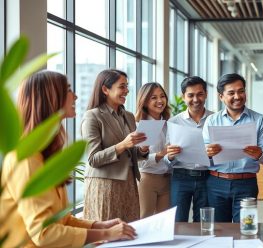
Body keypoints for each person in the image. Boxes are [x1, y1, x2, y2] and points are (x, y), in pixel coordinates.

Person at [0, 70, 136, 247]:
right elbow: (44, 234)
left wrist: (98, 225)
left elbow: (60, 220)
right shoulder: (25, 160)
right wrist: (105, 233)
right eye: (69, 90)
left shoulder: (45, 153)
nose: (76, 96)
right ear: (50, 97)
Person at [203, 73, 263, 223]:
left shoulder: (259, 120)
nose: (237, 96)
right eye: (231, 93)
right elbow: (202, 153)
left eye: (241, 91)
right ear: (221, 96)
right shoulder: (211, 120)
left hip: (246, 184)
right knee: (219, 230)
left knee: (246, 229)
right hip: (216, 182)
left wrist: (259, 153)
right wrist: (207, 152)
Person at [82, 69, 149, 222]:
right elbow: (93, 159)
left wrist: (142, 150)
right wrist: (124, 144)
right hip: (105, 185)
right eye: (122, 86)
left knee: (130, 230)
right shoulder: (92, 116)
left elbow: (130, 154)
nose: (127, 90)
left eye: (127, 86)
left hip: (129, 184)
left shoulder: (129, 116)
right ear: (105, 89)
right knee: (108, 234)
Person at [166, 76, 214, 222]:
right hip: (181, 177)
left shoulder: (215, 119)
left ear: (205, 94)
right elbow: (166, 157)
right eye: (190, 95)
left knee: (204, 222)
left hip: (207, 177)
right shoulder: (174, 122)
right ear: (183, 97)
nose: (195, 99)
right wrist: (170, 156)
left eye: (200, 94)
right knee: (178, 221)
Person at [135, 82, 172, 218]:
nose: (159, 101)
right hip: (148, 180)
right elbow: (140, 162)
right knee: (145, 220)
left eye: (162, 96)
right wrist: (161, 154)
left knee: (164, 223)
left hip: (167, 179)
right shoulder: (140, 126)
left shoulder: (168, 124)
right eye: (153, 97)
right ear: (144, 102)